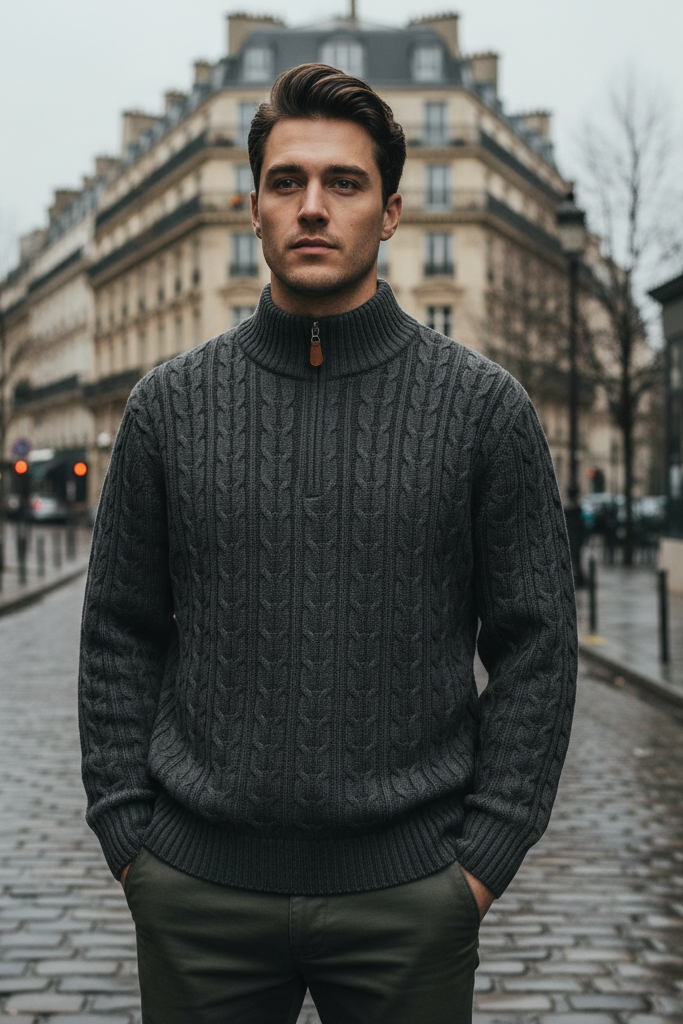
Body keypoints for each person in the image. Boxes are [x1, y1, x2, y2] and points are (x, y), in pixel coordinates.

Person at [79, 63, 577, 1024]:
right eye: (286, 181)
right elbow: (118, 632)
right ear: (251, 207)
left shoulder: (484, 410)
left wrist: (483, 860)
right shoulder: (167, 407)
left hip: (412, 896)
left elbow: (536, 644)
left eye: (343, 183)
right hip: (196, 892)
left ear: (391, 213)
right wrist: (130, 841)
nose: (313, 206)